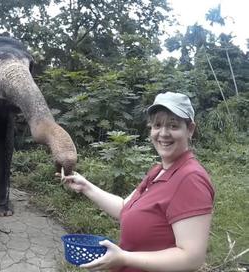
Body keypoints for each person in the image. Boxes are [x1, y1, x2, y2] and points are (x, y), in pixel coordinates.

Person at [62, 92, 215, 272]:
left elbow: (191, 258)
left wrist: (124, 257)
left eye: (173, 126)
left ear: (190, 129)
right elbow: (124, 208)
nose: (163, 133)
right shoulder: (158, 171)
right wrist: (85, 186)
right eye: (157, 125)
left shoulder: (190, 179)